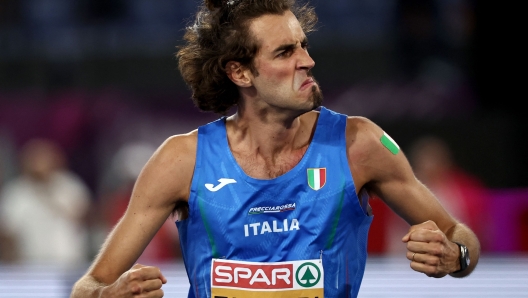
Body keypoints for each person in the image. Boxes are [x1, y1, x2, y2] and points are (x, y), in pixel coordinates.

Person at [71, 0, 481, 297]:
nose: (307, 61)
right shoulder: (182, 160)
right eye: (285, 52)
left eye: (303, 45)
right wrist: (106, 296)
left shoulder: (361, 144)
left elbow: (461, 238)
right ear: (240, 72)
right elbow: (88, 286)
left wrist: (455, 256)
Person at [0, 138, 92, 267]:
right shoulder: (16, 192)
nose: (39, 164)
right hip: (29, 265)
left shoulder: (69, 186)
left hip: (69, 264)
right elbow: (7, 231)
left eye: (44, 158)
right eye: (35, 159)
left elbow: (85, 217)